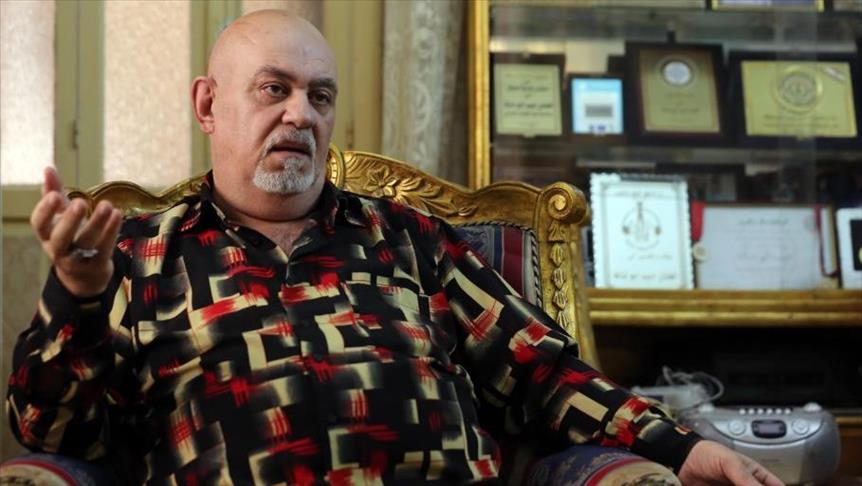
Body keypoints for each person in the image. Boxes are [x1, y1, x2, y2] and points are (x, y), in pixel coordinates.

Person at [8, 10, 782, 486]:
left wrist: (682, 449)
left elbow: (544, 374)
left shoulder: (409, 238)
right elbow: (54, 433)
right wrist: (75, 295)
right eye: (274, 89)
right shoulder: (139, 256)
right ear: (209, 104)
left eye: (319, 96)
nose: (301, 115)